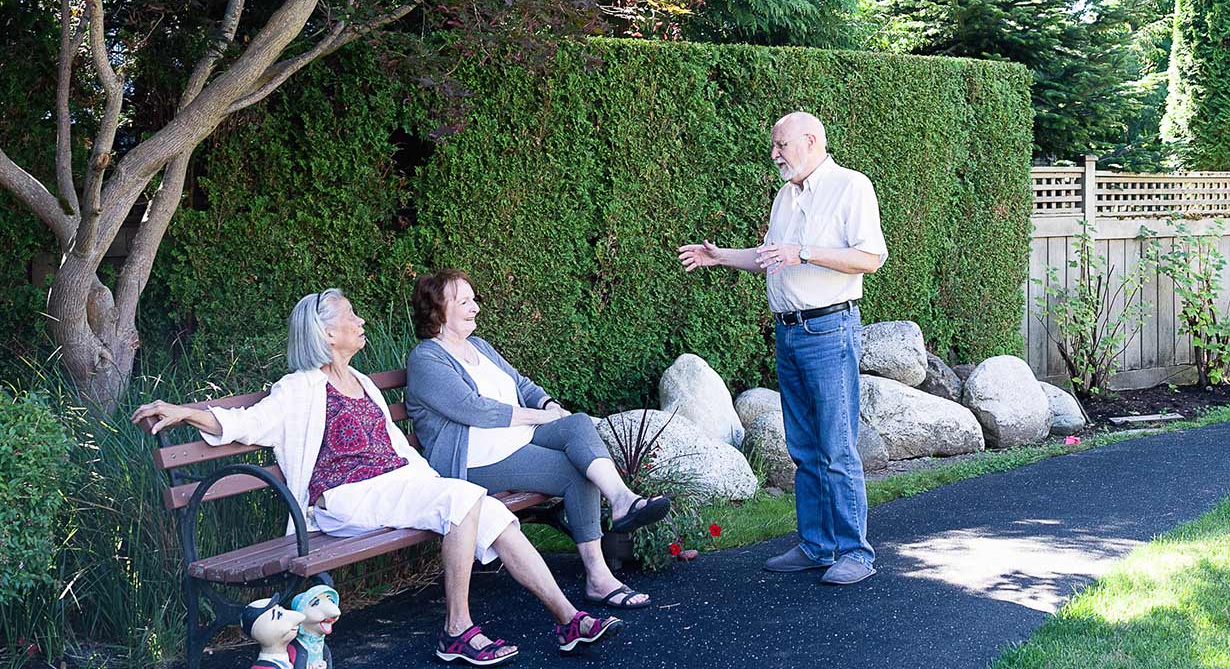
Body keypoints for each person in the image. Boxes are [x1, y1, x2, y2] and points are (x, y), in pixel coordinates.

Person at [132, 288, 622, 665]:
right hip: (345, 498)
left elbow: (395, 447)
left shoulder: (363, 382)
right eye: (351, 316)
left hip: (395, 486)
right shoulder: (300, 388)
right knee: (463, 501)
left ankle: (568, 620)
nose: (360, 321)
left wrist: (433, 481)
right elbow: (245, 423)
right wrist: (185, 413)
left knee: (492, 512)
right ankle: (456, 629)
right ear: (326, 333)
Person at [675, 111, 887, 585]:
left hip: (829, 331)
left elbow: (870, 258)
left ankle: (856, 553)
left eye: (781, 145)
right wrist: (720, 257)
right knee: (804, 449)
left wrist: (804, 252)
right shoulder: (785, 196)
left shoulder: (852, 186)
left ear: (811, 141)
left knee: (836, 449)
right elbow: (769, 257)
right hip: (789, 332)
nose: (774, 154)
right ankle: (817, 545)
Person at [403, 268, 671, 609]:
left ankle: (622, 499)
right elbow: (473, 410)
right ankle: (599, 578)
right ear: (437, 309)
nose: (476, 308)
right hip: (475, 459)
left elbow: (521, 384)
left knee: (575, 424)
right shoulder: (426, 358)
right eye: (464, 301)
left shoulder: (479, 347)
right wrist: (541, 417)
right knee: (577, 472)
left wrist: (548, 404)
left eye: (474, 300)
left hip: (514, 440)